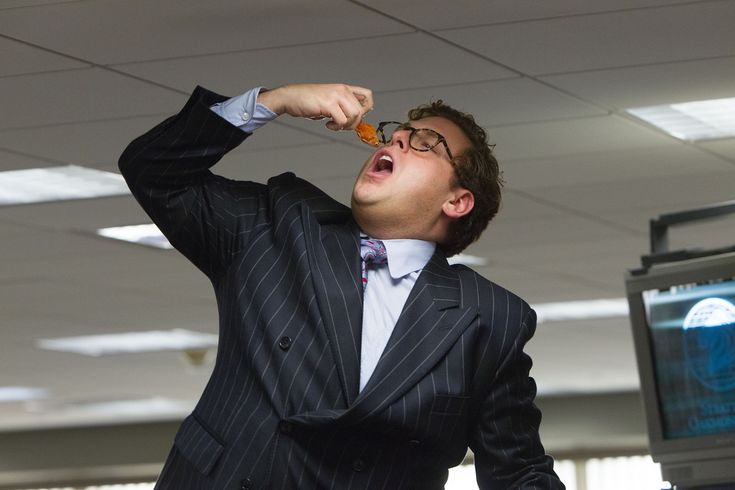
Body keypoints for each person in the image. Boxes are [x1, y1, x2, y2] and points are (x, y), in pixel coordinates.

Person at [119, 83, 564, 490]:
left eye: (427, 144)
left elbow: (518, 471)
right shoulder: (278, 223)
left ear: (457, 200)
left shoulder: (489, 315)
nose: (397, 139)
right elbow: (153, 170)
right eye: (397, 133)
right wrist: (275, 101)